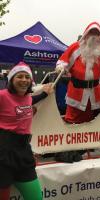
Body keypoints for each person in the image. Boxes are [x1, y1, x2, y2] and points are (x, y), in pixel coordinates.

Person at [0, 62, 53, 200]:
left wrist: (45, 94)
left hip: (23, 151)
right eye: (19, 76)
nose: (24, 80)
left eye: (27, 77)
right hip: (3, 152)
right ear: (11, 79)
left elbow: (32, 100)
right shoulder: (2, 96)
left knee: (35, 197)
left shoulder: (27, 97)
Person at [55, 21, 100, 124]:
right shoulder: (75, 47)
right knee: (71, 120)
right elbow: (63, 60)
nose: (93, 35)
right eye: (91, 32)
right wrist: (61, 67)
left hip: (94, 93)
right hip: (76, 92)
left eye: (96, 33)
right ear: (86, 33)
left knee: (91, 121)